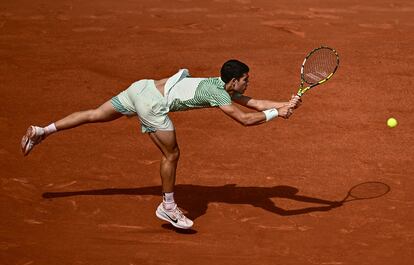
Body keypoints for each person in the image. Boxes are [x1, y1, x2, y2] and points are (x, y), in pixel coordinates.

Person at [21, 59, 301, 229]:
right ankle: (167, 206)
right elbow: (246, 120)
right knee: (172, 154)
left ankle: (42, 131)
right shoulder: (220, 94)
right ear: (233, 81)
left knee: (95, 114)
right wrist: (278, 114)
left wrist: (285, 104)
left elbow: (252, 103)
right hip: (152, 105)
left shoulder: (219, 85)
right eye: (245, 80)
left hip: (141, 87)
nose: (247, 83)